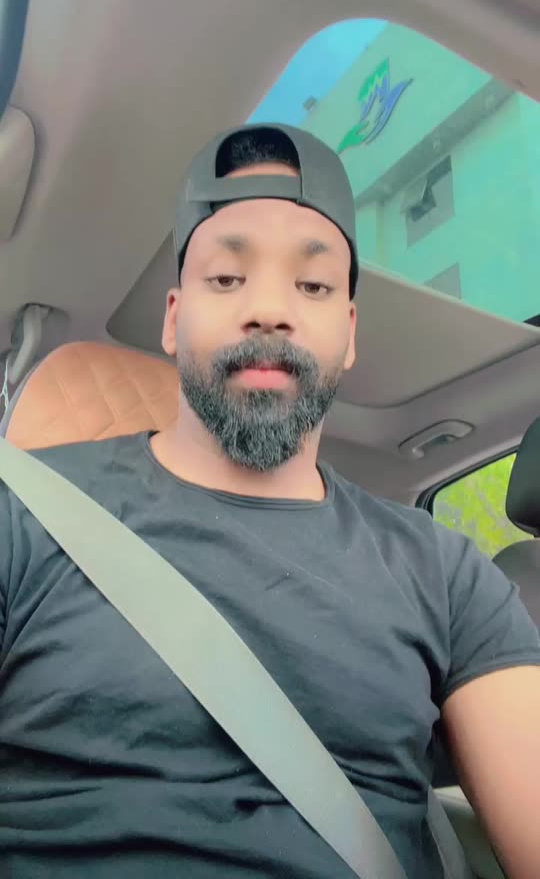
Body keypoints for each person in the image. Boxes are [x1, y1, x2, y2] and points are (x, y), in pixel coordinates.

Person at [0, 123, 539, 879]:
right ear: (172, 318)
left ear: (348, 332)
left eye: (313, 286)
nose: (268, 309)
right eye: (227, 278)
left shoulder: (447, 573)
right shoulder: (22, 512)